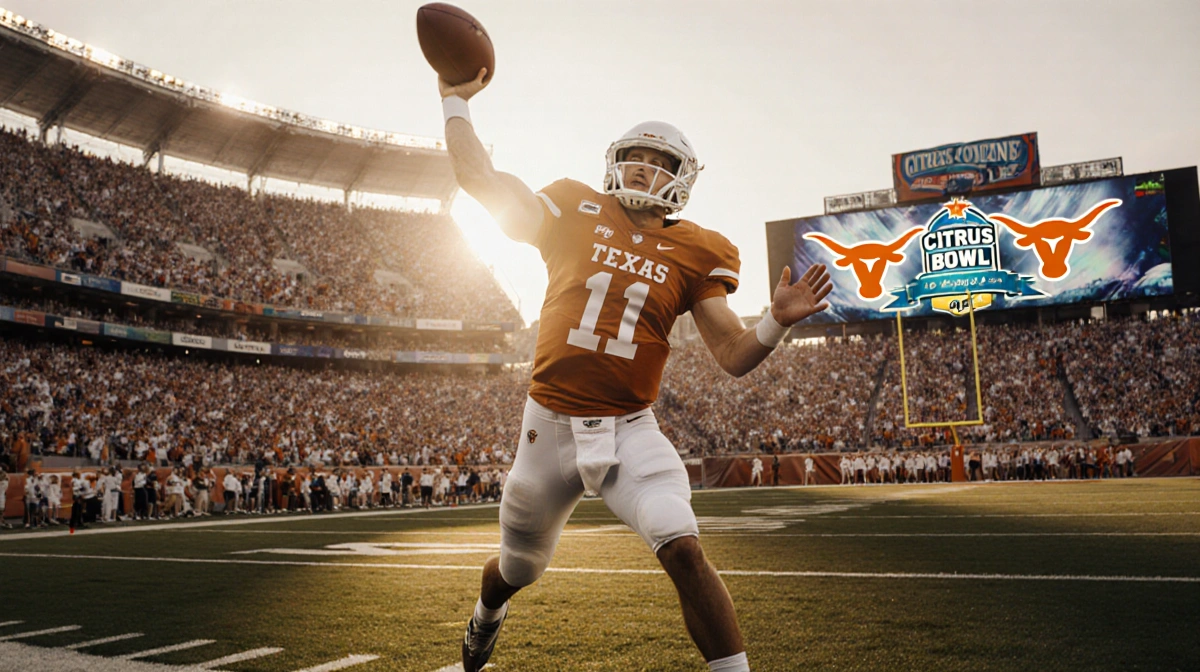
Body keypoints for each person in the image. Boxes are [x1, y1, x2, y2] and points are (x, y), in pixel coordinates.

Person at [440, 67, 832, 672]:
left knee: (683, 548)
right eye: (635, 156)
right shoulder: (572, 204)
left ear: (682, 181)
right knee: (519, 568)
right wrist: (454, 100)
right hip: (548, 426)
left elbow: (730, 354)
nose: (644, 168)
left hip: (629, 428)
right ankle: (486, 616)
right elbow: (479, 179)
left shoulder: (702, 248)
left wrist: (774, 323)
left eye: (659, 161)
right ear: (614, 163)